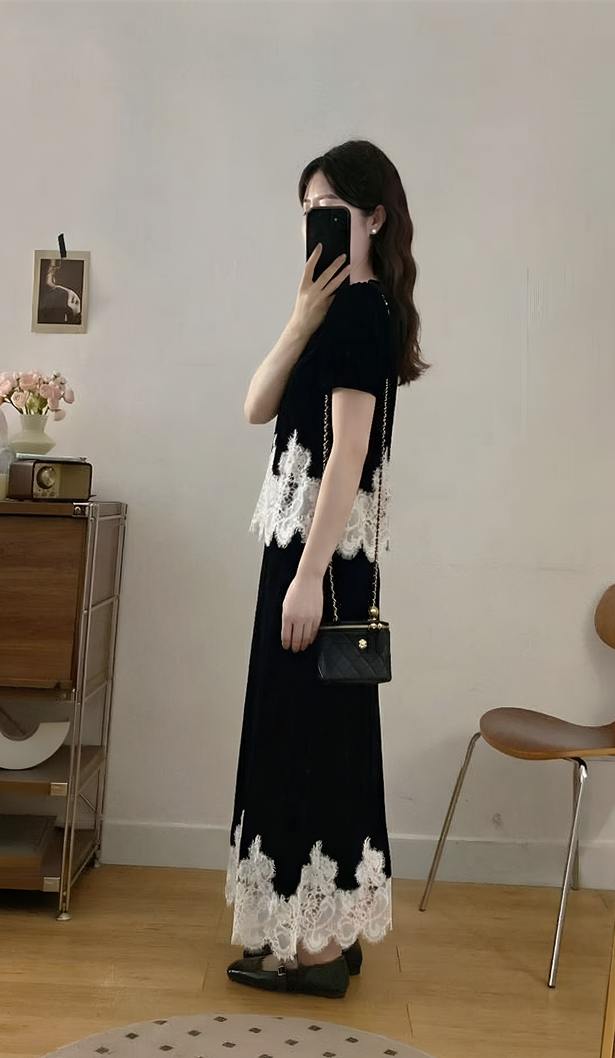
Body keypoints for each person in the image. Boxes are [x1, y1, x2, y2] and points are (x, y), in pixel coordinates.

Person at [225, 140, 427, 999]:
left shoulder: (359, 314)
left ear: (375, 216)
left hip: (317, 553)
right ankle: (328, 930)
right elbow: (255, 406)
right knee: (323, 733)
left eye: (331, 209)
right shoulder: (342, 309)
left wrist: (307, 576)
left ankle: (309, 952)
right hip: (319, 548)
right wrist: (300, 314)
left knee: (298, 734)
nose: (315, 222)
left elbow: (348, 454)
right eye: (307, 209)